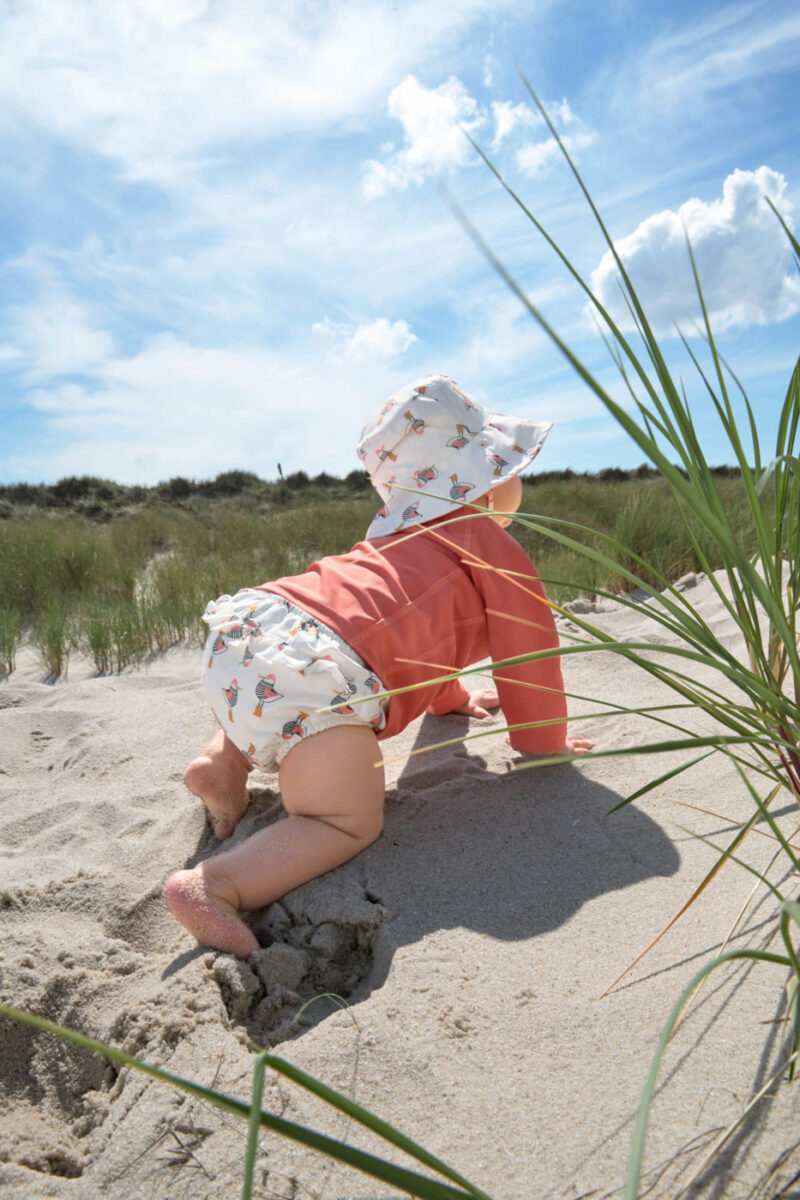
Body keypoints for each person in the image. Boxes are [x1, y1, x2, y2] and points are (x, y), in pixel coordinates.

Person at [165, 374, 593, 958]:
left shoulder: (390, 541)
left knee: (284, 687)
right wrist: (545, 741)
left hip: (254, 631)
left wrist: (451, 700)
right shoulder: (488, 542)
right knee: (346, 819)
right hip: (321, 671)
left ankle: (224, 762)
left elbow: (415, 642)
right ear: (484, 484)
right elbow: (529, 650)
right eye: (505, 468)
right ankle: (216, 887)